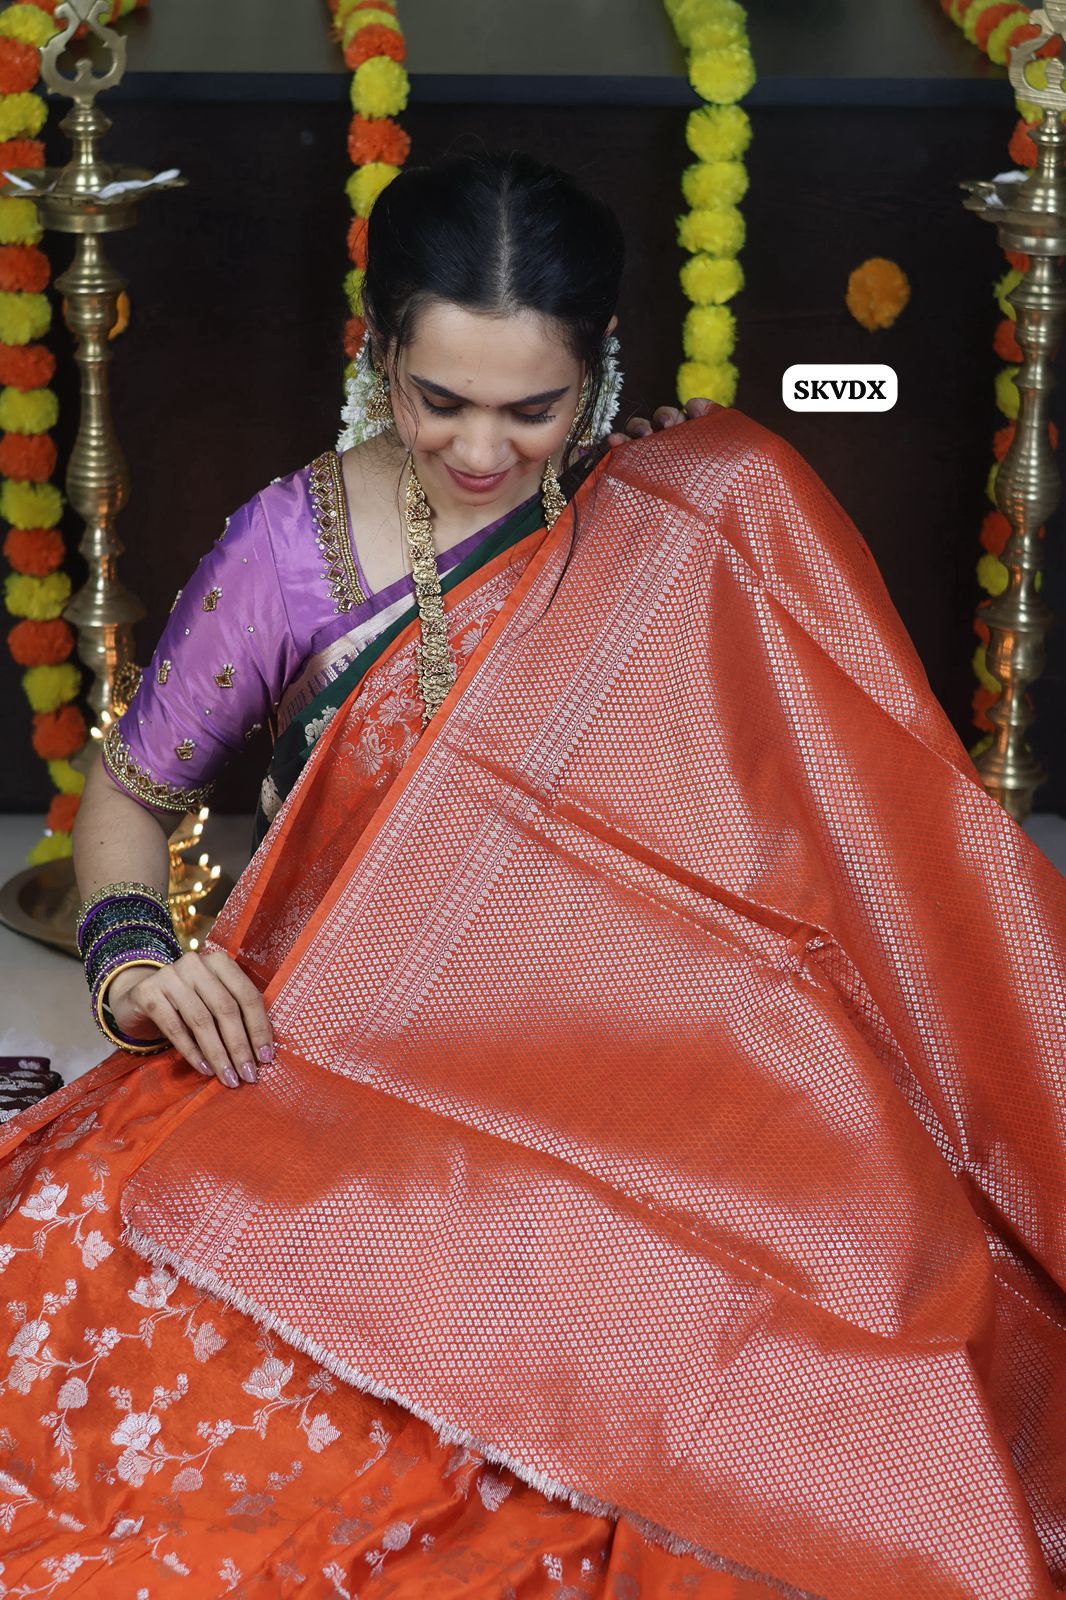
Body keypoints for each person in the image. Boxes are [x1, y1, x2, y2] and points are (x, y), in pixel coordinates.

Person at [1, 151, 1063, 1599]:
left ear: (603, 369)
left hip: (667, 1065)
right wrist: (134, 958)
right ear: (380, 358)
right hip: (344, 1059)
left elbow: (857, 824)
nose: (485, 454)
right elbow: (125, 799)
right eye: (440, 402)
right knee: (107, 1300)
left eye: (534, 408)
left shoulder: (697, 506)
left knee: (854, 1319)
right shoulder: (289, 550)